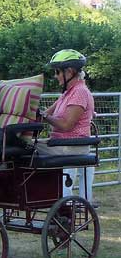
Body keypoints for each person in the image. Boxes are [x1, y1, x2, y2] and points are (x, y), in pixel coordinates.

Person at [39, 49, 95, 202]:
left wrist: (45, 116)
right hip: (61, 143)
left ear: (69, 71)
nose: (55, 76)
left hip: (72, 144)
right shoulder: (67, 93)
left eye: (57, 72)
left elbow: (66, 125)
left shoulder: (79, 93)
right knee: (28, 146)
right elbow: (45, 114)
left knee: (27, 148)